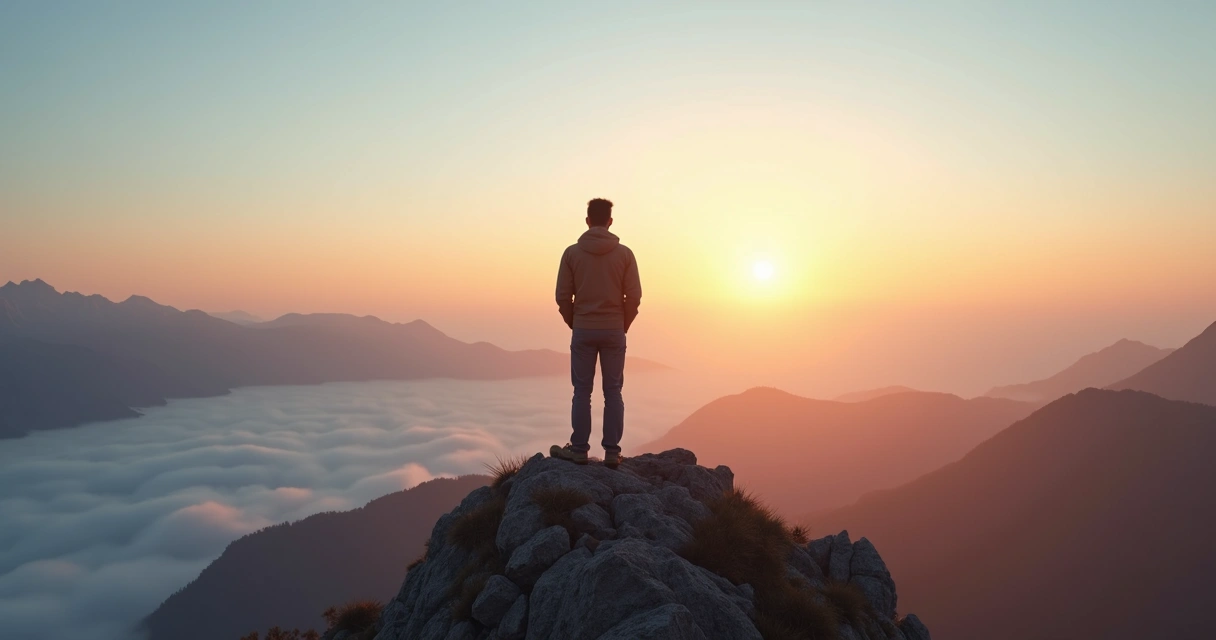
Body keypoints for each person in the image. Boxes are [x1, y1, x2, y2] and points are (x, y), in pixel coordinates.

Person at [550, 198, 642, 469]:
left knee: (582, 392)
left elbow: (562, 296)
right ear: (610, 222)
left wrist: (575, 321)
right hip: (614, 329)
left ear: (587, 220)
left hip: (583, 329)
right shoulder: (625, 254)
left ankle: (579, 450)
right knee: (613, 391)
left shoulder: (571, 254)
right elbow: (634, 297)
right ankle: (612, 453)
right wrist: (622, 324)